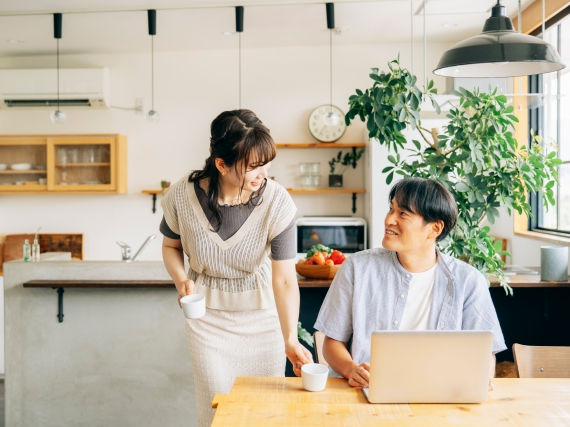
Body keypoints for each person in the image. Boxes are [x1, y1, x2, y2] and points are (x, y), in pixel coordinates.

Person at [160, 109, 312, 427]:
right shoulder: (180, 196)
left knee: (264, 411)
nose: (263, 174)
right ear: (221, 164)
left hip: (262, 321)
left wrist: (290, 338)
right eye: (253, 167)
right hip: (207, 323)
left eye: (266, 163)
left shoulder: (277, 201)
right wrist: (180, 280)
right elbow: (171, 246)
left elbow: (284, 279)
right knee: (218, 408)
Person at [314, 177, 506, 389]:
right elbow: (331, 343)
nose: (389, 220)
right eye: (391, 209)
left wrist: (481, 376)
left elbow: (484, 354)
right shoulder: (357, 268)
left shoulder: (469, 281)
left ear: (434, 229)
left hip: (441, 395)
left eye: (403, 214)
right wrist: (351, 369)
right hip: (367, 392)